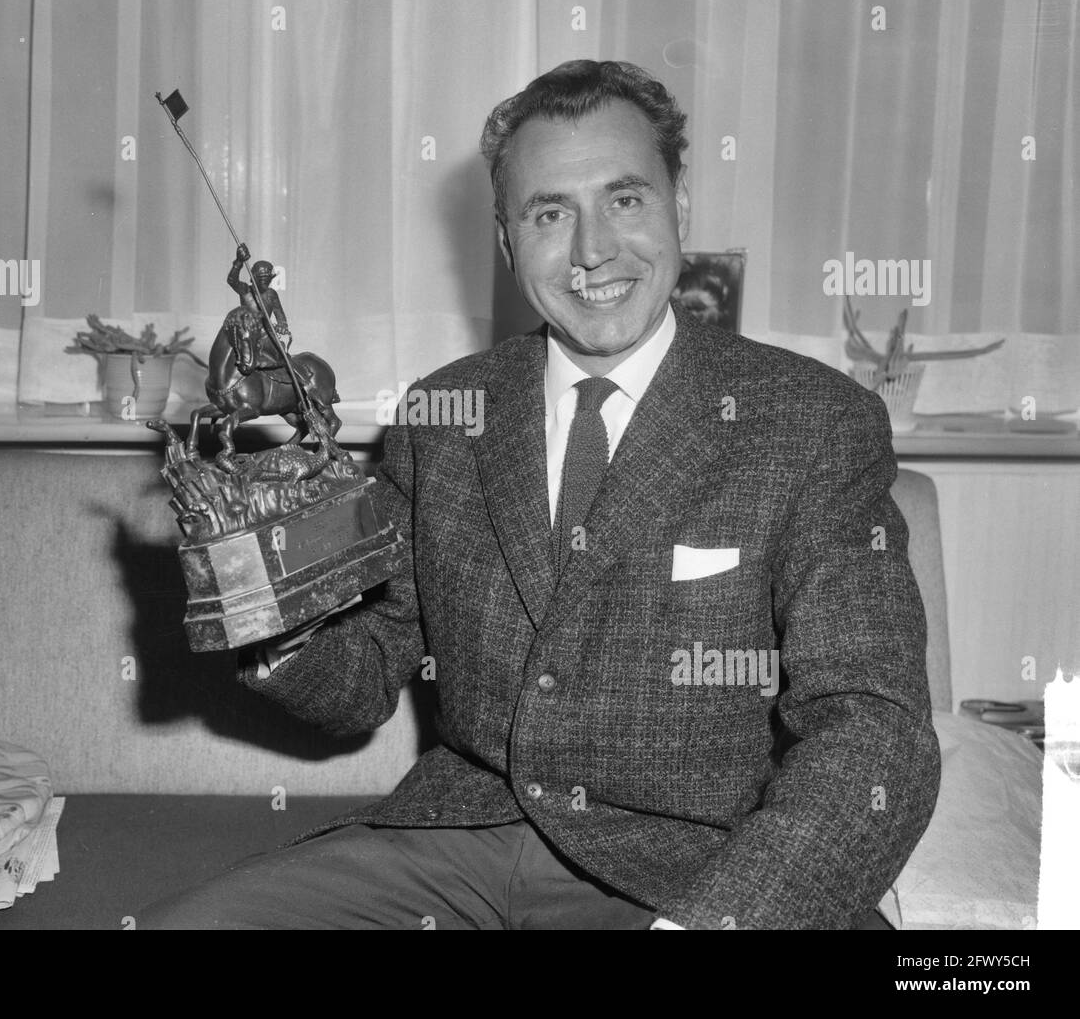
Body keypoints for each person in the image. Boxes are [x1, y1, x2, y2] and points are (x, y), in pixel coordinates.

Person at [145, 59, 941, 930]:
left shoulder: (813, 423)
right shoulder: (442, 415)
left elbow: (875, 729)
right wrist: (272, 611)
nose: (593, 250)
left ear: (679, 210)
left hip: (694, 875)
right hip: (456, 844)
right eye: (550, 213)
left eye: (625, 200)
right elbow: (370, 670)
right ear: (506, 241)